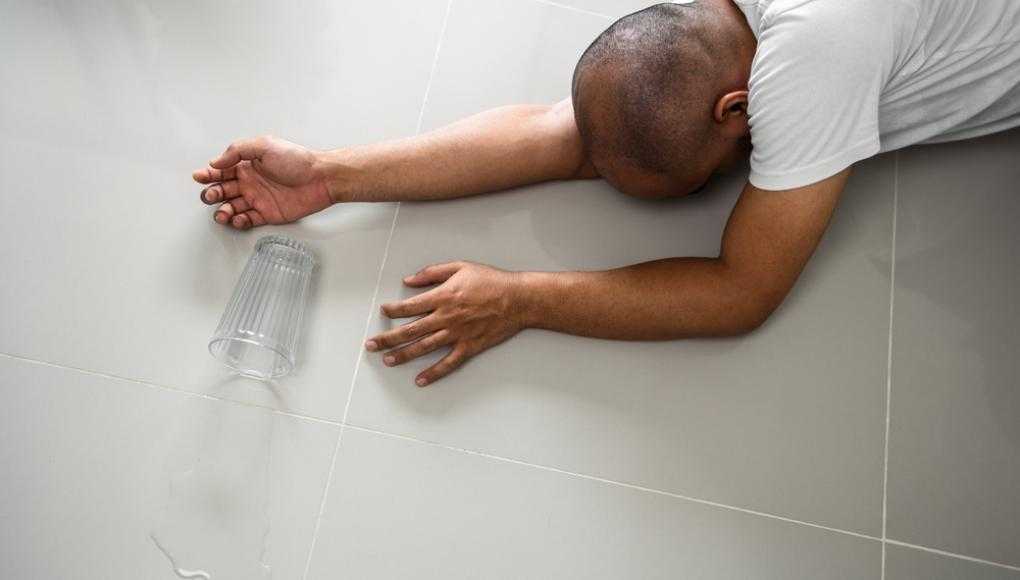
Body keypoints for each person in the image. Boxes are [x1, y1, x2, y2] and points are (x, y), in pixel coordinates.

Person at [193, 0, 1020, 387]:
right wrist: (332, 175)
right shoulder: (709, 41)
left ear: (739, 109)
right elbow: (569, 132)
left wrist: (520, 299)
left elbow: (742, 290)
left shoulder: (817, 61)